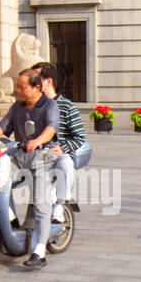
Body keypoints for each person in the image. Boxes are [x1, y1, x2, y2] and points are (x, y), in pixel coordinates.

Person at [0, 46, 59, 269]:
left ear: (37, 88)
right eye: (17, 86)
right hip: (20, 155)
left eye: (21, 87)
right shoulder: (17, 106)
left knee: (40, 203)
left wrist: (37, 141)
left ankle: (39, 252)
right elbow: (2, 126)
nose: (17, 90)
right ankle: (8, 216)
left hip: (42, 157)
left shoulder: (50, 105)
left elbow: (51, 129)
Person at [39, 65, 88, 221]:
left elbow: (79, 136)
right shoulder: (33, 106)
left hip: (57, 156)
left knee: (66, 162)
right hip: (37, 157)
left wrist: (63, 148)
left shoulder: (66, 106)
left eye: (36, 79)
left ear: (48, 81)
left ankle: (60, 205)